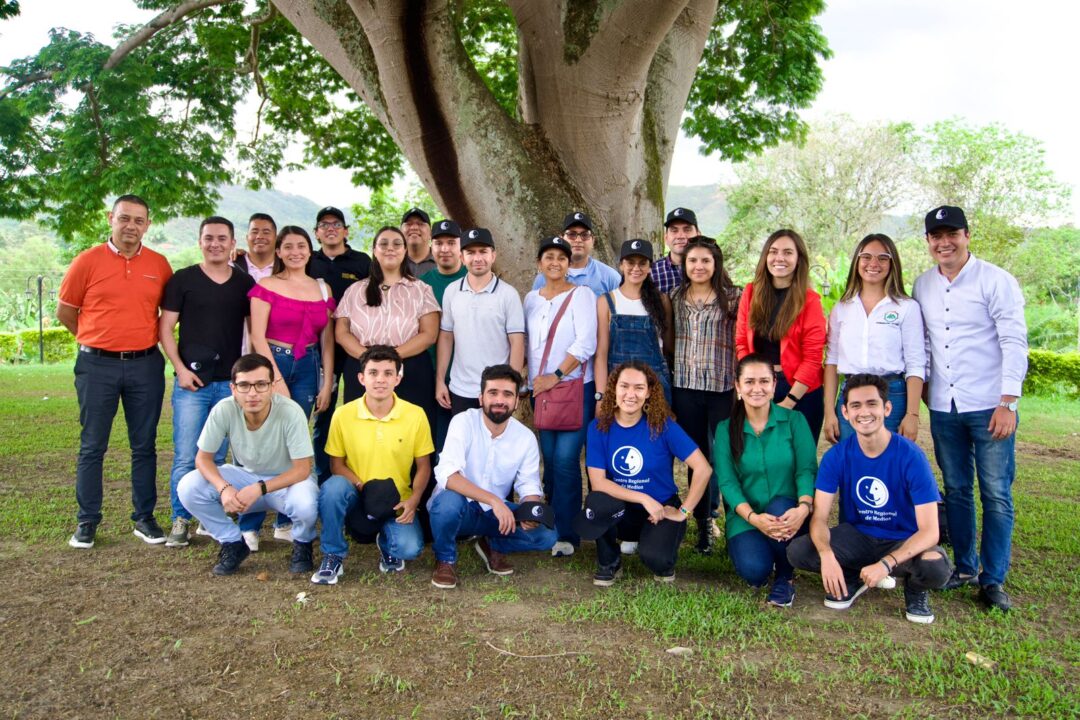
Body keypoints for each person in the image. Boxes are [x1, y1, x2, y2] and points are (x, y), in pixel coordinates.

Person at [912, 205, 1028, 612]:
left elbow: (1014, 341)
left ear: (966, 235)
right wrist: (925, 389)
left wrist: (1008, 401)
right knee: (957, 489)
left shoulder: (996, 280)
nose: (944, 243)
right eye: (936, 236)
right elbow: (926, 343)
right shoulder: (923, 285)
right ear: (928, 241)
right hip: (944, 406)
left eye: (952, 234)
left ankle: (992, 579)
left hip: (990, 404)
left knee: (995, 492)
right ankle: (964, 568)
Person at [787, 374, 953, 623]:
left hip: (901, 540)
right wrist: (827, 555)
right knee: (799, 551)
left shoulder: (911, 456)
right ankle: (853, 576)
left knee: (935, 567)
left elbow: (930, 532)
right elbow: (819, 518)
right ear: (845, 412)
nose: (864, 412)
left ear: (887, 408)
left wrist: (886, 564)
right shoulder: (836, 456)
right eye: (856, 405)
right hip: (859, 537)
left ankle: (915, 589)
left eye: (872, 404)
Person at [59, 194, 173, 549]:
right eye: (124, 218)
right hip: (97, 366)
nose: (131, 226)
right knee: (93, 445)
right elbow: (66, 311)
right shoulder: (87, 261)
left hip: (145, 364)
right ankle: (87, 521)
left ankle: (144, 518)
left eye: (139, 220)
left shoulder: (159, 264)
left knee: (144, 445)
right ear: (111, 218)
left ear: (147, 225)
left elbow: (168, 312)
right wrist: (96, 340)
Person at [159, 216, 255, 547]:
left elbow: (252, 331)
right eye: (209, 238)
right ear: (200, 241)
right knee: (187, 455)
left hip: (229, 385)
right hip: (191, 384)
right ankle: (180, 518)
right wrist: (180, 369)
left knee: (218, 457)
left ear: (232, 243)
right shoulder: (183, 279)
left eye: (222, 238)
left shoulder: (243, 283)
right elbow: (165, 329)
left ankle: (209, 515)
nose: (215, 244)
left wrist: (245, 377)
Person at [176, 354, 319, 576]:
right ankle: (232, 542)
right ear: (233, 388)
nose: (252, 393)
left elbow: (302, 469)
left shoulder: (291, 411)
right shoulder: (224, 408)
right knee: (189, 486)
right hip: (245, 477)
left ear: (272, 386)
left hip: (287, 481)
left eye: (261, 384)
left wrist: (260, 488)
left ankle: (302, 543)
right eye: (244, 385)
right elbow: (202, 459)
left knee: (306, 503)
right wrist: (224, 488)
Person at [242, 225, 336, 550]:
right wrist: (275, 380)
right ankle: (250, 524)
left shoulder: (321, 289)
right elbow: (257, 336)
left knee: (295, 440)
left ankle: (285, 521)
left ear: (310, 250)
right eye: (288, 247)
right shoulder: (266, 286)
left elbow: (327, 340)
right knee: (263, 441)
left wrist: (327, 380)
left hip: (309, 365)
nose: (295, 252)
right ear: (279, 252)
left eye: (301, 246)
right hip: (273, 362)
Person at [311, 346, 434, 583]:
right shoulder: (343, 415)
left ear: (398, 378)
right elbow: (336, 466)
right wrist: (363, 487)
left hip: (396, 499)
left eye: (388, 373)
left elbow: (424, 466)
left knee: (409, 548)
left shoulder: (415, 414)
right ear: (361, 378)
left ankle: (386, 542)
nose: (380, 380)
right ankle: (333, 554)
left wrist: (414, 499)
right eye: (373, 373)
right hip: (357, 494)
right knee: (333, 488)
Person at [428, 365, 558, 589]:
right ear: (481, 398)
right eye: (493, 393)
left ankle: (492, 543)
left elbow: (529, 487)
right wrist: (494, 500)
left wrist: (530, 512)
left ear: (516, 401)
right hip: (460, 510)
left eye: (507, 394)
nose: (500, 400)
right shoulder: (463, 422)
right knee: (449, 502)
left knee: (547, 535)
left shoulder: (525, 438)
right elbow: (447, 475)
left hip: (495, 515)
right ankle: (445, 559)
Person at [584, 362, 712, 585]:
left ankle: (657, 545)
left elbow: (703, 468)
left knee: (658, 561)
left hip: (660, 510)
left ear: (649, 392)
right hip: (621, 510)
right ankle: (609, 562)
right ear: (614, 389)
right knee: (597, 501)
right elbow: (598, 483)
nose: (630, 394)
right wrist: (644, 498)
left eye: (639, 388)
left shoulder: (663, 426)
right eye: (624, 386)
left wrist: (683, 511)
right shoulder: (599, 427)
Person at [713, 354, 817, 607]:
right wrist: (753, 519)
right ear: (738, 387)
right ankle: (763, 549)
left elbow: (806, 470)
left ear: (773, 385)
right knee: (754, 572)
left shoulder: (794, 421)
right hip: (747, 517)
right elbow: (727, 483)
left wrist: (804, 508)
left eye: (764, 381)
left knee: (780, 507)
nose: (757, 388)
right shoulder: (725, 429)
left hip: (788, 512)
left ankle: (785, 576)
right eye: (749, 382)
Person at [523, 235, 598, 558]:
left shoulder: (582, 295)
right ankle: (550, 522)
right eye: (549, 257)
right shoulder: (531, 299)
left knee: (566, 460)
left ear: (569, 264)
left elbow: (586, 343)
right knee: (550, 460)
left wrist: (554, 376)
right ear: (539, 263)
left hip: (572, 388)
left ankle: (568, 534)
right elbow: (527, 344)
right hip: (540, 391)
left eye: (561, 258)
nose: (555, 263)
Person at [670, 237, 741, 553]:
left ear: (715, 263)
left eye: (705, 260)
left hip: (722, 389)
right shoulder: (675, 297)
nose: (698, 266)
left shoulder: (734, 297)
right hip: (686, 388)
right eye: (693, 260)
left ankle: (736, 527)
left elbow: (742, 340)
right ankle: (704, 525)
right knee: (697, 457)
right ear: (684, 264)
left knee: (728, 455)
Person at [823, 234, 925, 444]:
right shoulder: (842, 308)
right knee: (852, 459)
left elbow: (916, 363)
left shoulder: (907, 307)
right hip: (851, 395)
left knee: (891, 459)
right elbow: (831, 362)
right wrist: (830, 413)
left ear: (892, 263)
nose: (873, 263)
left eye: (883, 258)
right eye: (866, 257)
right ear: (857, 261)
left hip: (892, 395)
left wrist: (912, 414)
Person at [334, 225, 440, 425]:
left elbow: (429, 334)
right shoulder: (355, 290)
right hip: (362, 364)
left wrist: (391, 358)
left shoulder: (421, 290)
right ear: (374, 250)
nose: (390, 248)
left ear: (405, 250)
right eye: (383, 244)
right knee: (361, 427)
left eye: (397, 244)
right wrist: (370, 359)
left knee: (410, 426)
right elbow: (341, 333)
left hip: (410, 365)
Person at [735, 229, 827, 444]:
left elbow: (813, 358)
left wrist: (789, 402)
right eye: (773, 251)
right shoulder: (751, 293)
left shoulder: (810, 300)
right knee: (761, 455)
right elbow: (741, 343)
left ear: (798, 259)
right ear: (765, 256)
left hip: (800, 391)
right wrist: (752, 383)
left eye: (788, 252)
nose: (779, 258)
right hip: (761, 386)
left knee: (798, 457)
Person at [307, 206, 371, 483]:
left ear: (346, 231)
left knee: (358, 409)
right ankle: (322, 475)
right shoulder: (309, 261)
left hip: (357, 346)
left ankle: (356, 473)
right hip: (319, 347)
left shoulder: (362, 261)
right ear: (316, 233)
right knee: (324, 410)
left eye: (336, 224)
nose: (330, 229)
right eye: (324, 225)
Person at [436, 228, 525, 415]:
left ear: (493, 255)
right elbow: (446, 337)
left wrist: (512, 388)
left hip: (497, 390)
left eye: (483, 252)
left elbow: (517, 342)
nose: (477, 258)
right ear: (462, 257)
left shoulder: (508, 294)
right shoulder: (452, 291)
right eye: (471, 252)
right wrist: (440, 380)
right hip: (460, 388)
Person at [595, 239, 673, 406]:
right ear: (621, 265)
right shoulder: (606, 301)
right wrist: (600, 396)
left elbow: (668, 348)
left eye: (642, 263)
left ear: (650, 267)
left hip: (654, 383)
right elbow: (601, 353)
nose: (636, 268)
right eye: (630, 262)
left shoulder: (662, 300)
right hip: (618, 386)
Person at [420, 219, 467, 451]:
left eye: (451, 243)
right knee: (434, 440)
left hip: (467, 375)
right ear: (432, 247)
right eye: (439, 243)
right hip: (430, 371)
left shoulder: (474, 278)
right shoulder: (422, 284)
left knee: (464, 440)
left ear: (461, 247)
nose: (445, 249)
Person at [531, 212, 621, 296]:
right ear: (562, 238)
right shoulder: (544, 278)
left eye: (585, 235)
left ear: (593, 240)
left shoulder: (610, 278)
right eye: (571, 234)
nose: (578, 240)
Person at [650, 207, 699, 294]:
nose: (680, 236)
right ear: (666, 238)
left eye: (687, 230)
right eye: (674, 230)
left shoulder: (710, 269)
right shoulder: (652, 273)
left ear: (698, 235)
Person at [234, 213, 277, 281]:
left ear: (276, 238)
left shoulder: (286, 268)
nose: (259, 236)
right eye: (254, 232)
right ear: (247, 237)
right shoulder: (232, 264)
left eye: (266, 232)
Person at [401, 207, 436, 276]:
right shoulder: (393, 261)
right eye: (409, 224)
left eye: (420, 224)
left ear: (431, 233)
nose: (414, 228)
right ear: (400, 232)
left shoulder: (442, 260)